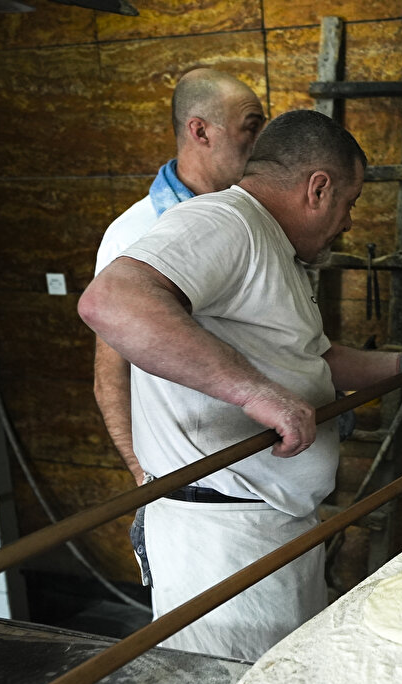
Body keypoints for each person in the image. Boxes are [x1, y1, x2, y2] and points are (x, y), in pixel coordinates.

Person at [80, 109, 402, 661]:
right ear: (319, 187)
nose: (348, 222)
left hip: (271, 526)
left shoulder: (270, 244)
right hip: (222, 542)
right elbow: (112, 302)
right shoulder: (225, 221)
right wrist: (255, 394)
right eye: (350, 203)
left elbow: (311, 359)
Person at [95, 68, 267, 486]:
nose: (263, 142)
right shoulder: (136, 235)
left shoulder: (258, 221)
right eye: (251, 127)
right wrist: (144, 478)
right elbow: (110, 374)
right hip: (196, 487)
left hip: (270, 471)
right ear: (201, 132)